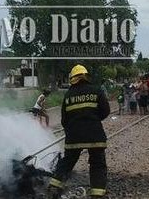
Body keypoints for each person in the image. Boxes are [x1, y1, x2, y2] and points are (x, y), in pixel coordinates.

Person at [47, 64, 110, 198]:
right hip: (95, 135)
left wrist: (73, 128)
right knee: (97, 164)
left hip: (74, 137)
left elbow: (64, 120)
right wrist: (93, 120)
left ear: (72, 78)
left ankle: (54, 187)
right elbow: (105, 111)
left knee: (67, 162)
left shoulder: (68, 95)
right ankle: (97, 194)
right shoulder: (96, 91)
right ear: (86, 76)